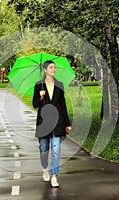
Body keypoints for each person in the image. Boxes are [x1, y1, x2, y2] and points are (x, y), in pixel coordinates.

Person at [32, 60, 72, 188]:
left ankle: (54, 175)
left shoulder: (59, 84)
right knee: (43, 148)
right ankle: (45, 168)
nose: (54, 69)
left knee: (56, 149)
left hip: (58, 121)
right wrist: (41, 97)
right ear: (45, 70)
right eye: (51, 67)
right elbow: (35, 104)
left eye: (54, 67)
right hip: (44, 122)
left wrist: (67, 123)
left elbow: (63, 105)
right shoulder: (39, 85)